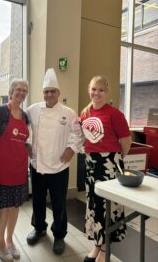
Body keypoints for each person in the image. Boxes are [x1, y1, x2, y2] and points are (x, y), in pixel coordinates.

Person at [26, 68, 84, 255]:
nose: (49, 94)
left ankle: (59, 235)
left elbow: (78, 134)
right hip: (38, 164)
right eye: (46, 91)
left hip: (59, 166)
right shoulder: (33, 110)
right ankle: (39, 228)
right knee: (38, 200)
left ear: (58, 93)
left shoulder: (69, 113)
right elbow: (23, 129)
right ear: (42, 93)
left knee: (59, 203)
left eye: (52, 91)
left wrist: (71, 149)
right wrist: (27, 144)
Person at [80, 76, 132, 262]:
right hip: (91, 164)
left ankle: (104, 249)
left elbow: (126, 142)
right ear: (89, 90)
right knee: (94, 205)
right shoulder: (85, 113)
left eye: (101, 90)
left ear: (107, 92)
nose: (97, 93)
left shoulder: (115, 114)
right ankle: (96, 245)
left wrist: (116, 160)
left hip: (110, 163)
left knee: (108, 206)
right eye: (94, 89)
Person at [0, 79, 29, 262]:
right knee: (4, 208)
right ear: (11, 92)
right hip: (2, 169)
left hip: (19, 169)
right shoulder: (1, 111)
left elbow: (23, 141)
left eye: (24, 90)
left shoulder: (25, 116)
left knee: (15, 207)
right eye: (18, 89)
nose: (21, 93)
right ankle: (0, 244)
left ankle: (11, 241)